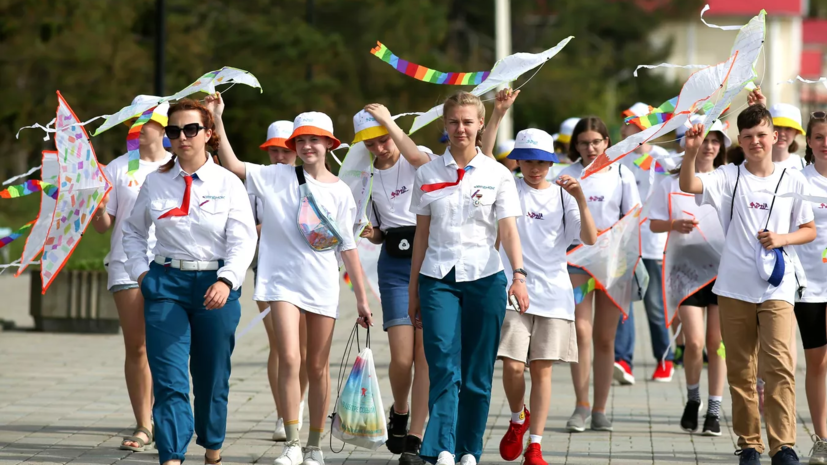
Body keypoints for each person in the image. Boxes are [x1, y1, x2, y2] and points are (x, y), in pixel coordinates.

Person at [202, 103, 373, 465]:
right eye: (301, 140)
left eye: (315, 140)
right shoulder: (274, 175)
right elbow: (233, 165)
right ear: (293, 145)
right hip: (280, 282)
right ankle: (292, 443)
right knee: (290, 358)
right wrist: (217, 118)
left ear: (328, 144)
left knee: (317, 366)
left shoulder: (341, 191)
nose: (308, 146)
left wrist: (361, 297)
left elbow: (348, 246)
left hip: (322, 283)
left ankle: (314, 445)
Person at [679, 105, 816, 465]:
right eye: (749, 136)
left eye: (762, 135)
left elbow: (809, 229)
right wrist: (692, 151)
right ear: (741, 140)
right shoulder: (728, 176)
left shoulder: (793, 179)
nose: (756, 141)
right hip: (733, 287)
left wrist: (782, 238)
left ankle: (783, 445)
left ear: (774, 137)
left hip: (778, 288)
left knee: (780, 367)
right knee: (742, 370)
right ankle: (749, 445)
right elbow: (689, 184)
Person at [122, 98, 257, 465]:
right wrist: (142, 273)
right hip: (165, 285)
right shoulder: (155, 182)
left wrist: (228, 280)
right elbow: (132, 232)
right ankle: (172, 456)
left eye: (191, 129)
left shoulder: (228, 183)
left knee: (212, 377)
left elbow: (244, 239)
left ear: (208, 133)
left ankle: (212, 448)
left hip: (216, 287)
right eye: (174, 131)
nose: (182, 137)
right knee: (169, 379)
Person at [406, 90, 529, 465]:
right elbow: (421, 238)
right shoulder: (427, 173)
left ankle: (468, 450)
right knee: (443, 362)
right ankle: (441, 447)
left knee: (477, 372)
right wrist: (414, 292)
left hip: (485, 277)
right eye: (454, 121)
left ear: (480, 125)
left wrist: (519, 275)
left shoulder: (498, 175)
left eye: (468, 122)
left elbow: (508, 231)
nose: (461, 128)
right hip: (437, 278)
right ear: (445, 125)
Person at [494, 129, 597, 465]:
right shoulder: (508, 189)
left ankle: (535, 445)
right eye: (528, 161)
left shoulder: (563, 195)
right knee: (511, 366)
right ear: (518, 161)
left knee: (541, 370)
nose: (535, 168)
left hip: (554, 294)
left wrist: (581, 197)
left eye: (541, 162)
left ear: (551, 162)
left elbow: (590, 238)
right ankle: (516, 417)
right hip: (513, 289)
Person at [210, 102, 310, 441]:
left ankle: (296, 405)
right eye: (273, 151)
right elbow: (233, 169)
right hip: (268, 269)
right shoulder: (256, 180)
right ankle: (285, 415)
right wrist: (219, 119)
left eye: (285, 150)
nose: (280, 156)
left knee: (306, 352)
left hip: (308, 271)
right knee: (282, 347)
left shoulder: (311, 178)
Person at [352, 105, 433, 464]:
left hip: (431, 261)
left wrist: (389, 123)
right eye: (371, 144)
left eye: (383, 139)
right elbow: (380, 231)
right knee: (402, 357)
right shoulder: (366, 175)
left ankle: (417, 431)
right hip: (396, 266)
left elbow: (416, 158)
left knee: (425, 355)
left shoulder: (419, 159)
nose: (380, 148)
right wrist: (372, 234)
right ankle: (399, 411)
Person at [92, 96, 171, 452]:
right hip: (126, 261)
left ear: (161, 125)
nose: (137, 128)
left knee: (169, 347)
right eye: (132, 122)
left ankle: (168, 415)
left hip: (171, 262)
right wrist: (95, 208)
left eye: (145, 121)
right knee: (137, 345)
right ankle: (144, 424)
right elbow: (103, 225)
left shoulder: (177, 164)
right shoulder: (118, 168)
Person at [649, 117, 730, 436]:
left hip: (723, 270)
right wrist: (673, 225)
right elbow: (654, 222)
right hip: (683, 270)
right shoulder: (669, 183)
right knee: (694, 342)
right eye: (703, 139)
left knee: (717, 342)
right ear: (688, 142)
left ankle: (714, 408)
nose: (709, 146)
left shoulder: (727, 178)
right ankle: (693, 398)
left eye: (715, 140)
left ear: (722, 145)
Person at [560, 116, 640, 433]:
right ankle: (581, 406)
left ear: (607, 142)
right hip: (576, 260)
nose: (590, 148)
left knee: (605, 338)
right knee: (581, 331)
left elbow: (633, 219)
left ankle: (600, 409)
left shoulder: (622, 173)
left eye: (596, 141)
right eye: (583, 142)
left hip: (612, 265)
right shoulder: (564, 175)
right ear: (575, 145)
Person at [613, 103, 675, 385]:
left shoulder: (664, 158)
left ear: (642, 127)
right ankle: (622, 360)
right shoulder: (619, 158)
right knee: (623, 302)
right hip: (624, 244)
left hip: (653, 243)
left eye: (628, 123)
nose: (623, 127)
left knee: (654, 304)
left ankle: (665, 360)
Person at [794, 111, 827, 464]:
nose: (826, 143)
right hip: (808, 286)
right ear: (810, 142)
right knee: (816, 364)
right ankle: (822, 439)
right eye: (819, 137)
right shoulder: (798, 181)